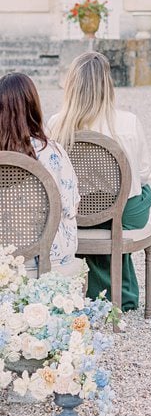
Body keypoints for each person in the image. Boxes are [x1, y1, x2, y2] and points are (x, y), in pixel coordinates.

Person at [48, 52, 151, 311]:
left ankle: (92, 289)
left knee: (108, 208)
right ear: (107, 84)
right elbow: (144, 174)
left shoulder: (56, 124)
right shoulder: (128, 122)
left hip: (76, 212)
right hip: (120, 213)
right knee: (145, 192)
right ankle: (120, 293)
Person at [0, 71, 82, 277]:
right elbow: (70, 206)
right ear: (33, 107)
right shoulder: (52, 152)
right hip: (47, 257)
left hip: (3, 255)